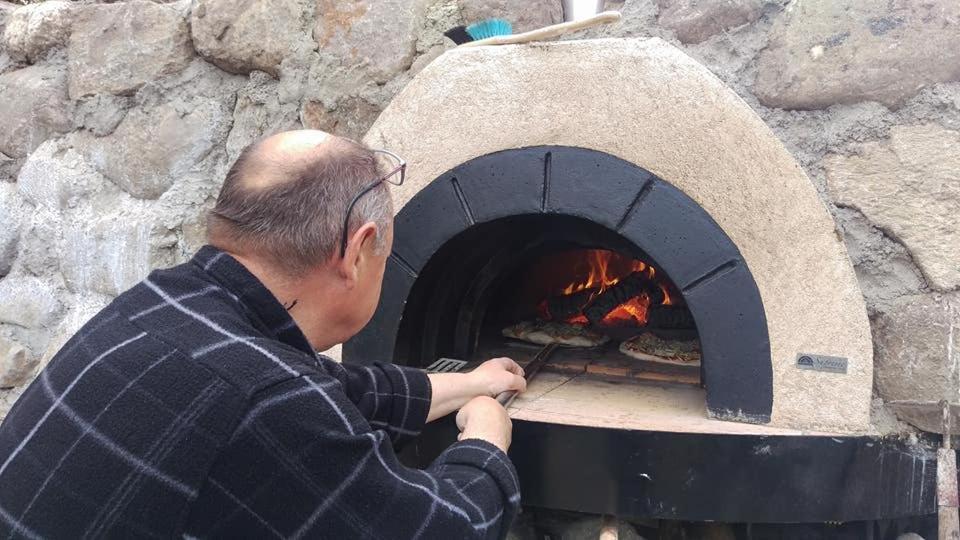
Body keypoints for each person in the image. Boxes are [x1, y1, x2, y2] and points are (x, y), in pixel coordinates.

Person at [0, 130, 527, 539]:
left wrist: (470, 383)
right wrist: (485, 437)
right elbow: (449, 531)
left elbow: (332, 386)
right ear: (357, 251)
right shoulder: (266, 402)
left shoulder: (166, 302)